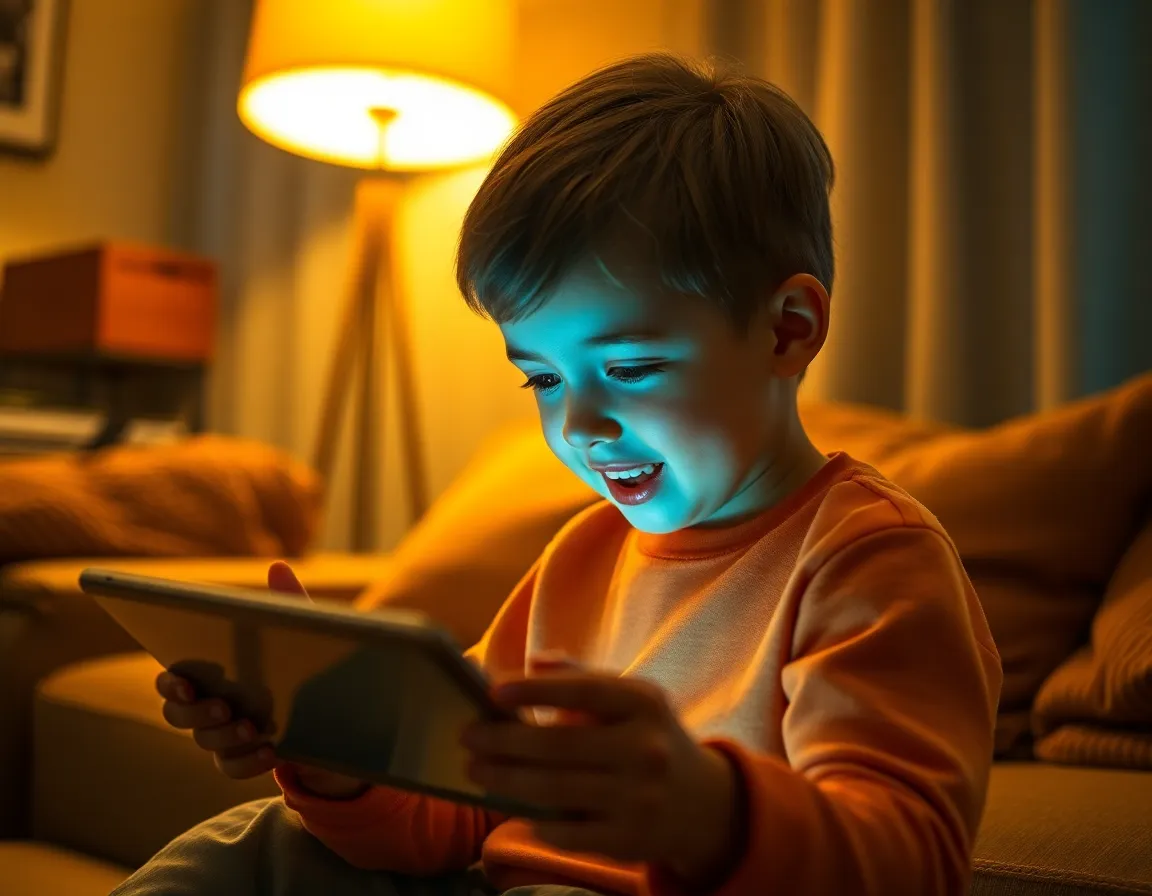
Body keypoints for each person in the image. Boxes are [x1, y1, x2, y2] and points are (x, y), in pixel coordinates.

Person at [113, 52, 1001, 896]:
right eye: (540, 377)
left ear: (788, 329)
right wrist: (333, 756)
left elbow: (910, 864)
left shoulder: (871, 561)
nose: (578, 424)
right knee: (253, 842)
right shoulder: (582, 557)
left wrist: (709, 813)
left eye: (632, 368)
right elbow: (453, 818)